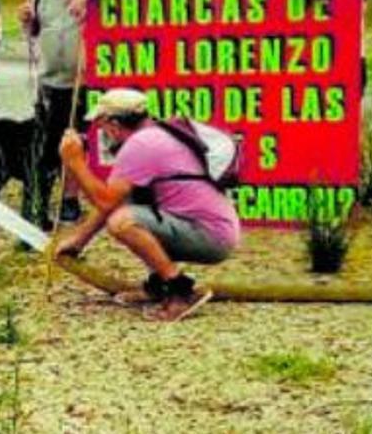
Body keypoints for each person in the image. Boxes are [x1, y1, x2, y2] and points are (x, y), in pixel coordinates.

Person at [55, 89, 240, 322]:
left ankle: (181, 291)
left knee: (123, 222)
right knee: (128, 205)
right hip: (213, 229)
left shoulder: (141, 145)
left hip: (211, 236)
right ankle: (159, 286)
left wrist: (76, 162)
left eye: (101, 126)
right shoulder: (153, 135)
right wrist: (78, 242)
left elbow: (104, 201)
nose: (102, 133)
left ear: (114, 124)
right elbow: (113, 200)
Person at [17, 0, 135, 226]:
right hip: (52, 79)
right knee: (52, 142)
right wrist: (26, 20)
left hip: (87, 80)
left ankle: (73, 198)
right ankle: (42, 201)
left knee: (82, 140)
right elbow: (35, 30)